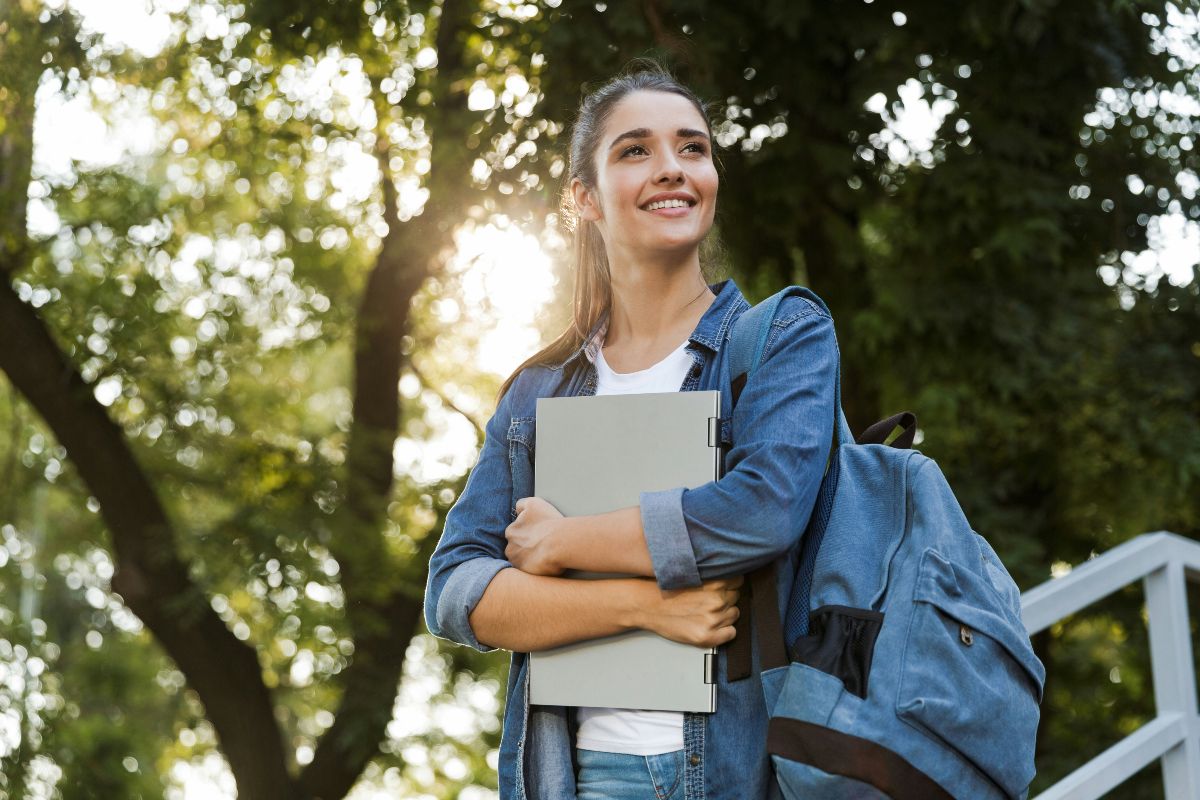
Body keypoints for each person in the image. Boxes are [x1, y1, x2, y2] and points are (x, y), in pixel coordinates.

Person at [424, 62, 837, 800]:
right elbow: (455, 589)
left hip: (743, 773)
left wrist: (563, 542)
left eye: (693, 148)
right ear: (583, 197)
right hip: (582, 776)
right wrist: (642, 606)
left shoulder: (780, 338)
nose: (672, 169)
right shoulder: (536, 392)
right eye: (635, 150)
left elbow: (761, 511)